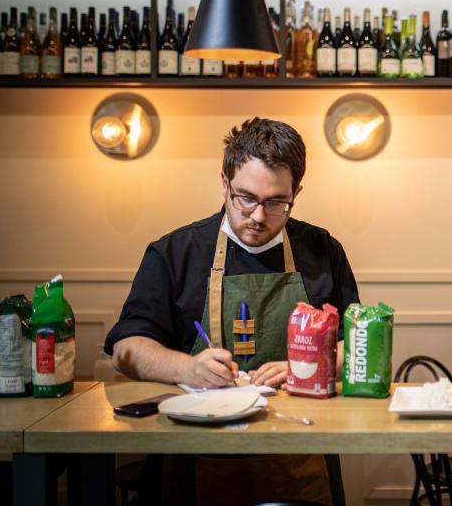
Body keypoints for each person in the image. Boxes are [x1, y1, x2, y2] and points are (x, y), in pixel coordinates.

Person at [105, 117, 358, 506]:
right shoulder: (176, 252)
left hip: (300, 454)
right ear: (224, 183)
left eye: (276, 202)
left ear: (297, 192)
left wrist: (306, 369)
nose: (258, 216)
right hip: (193, 454)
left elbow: (356, 348)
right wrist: (187, 369)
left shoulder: (322, 251)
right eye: (246, 198)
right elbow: (126, 348)